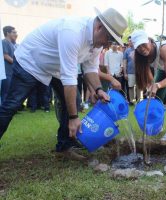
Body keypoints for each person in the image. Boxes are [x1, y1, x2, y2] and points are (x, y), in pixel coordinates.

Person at [0, 8, 128, 160]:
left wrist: (99, 89)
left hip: (56, 68)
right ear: (99, 27)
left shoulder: (98, 42)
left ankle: (64, 146)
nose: (107, 45)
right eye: (109, 39)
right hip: (31, 62)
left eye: (112, 41)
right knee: (11, 105)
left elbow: (90, 68)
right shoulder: (72, 31)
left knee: (73, 101)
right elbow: (69, 78)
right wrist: (74, 118)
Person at [131, 30, 166, 143]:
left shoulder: (164, 49)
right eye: (138, 46)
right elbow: (150, 80)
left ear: (149, 40)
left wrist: (157, 85)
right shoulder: (139, 56)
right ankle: (158, 125)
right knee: (156, 96)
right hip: (164, 67)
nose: (142, 48)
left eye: (143, 44)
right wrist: (152, 88)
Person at [123, 36, 140, 105]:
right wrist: (125, 73)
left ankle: (138, 101)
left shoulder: (138, 49)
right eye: (129, 41)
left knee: (139, 87)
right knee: (131, 86)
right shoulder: (127, 50)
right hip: (130, 72)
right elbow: (124, 62)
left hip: (139, 72)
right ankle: (131, 101)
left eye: (131, 41)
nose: (130, 42)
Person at [1, 26, 16, 104]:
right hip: (6, 72)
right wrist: (16, 63)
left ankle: (8, 109)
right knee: (5, 92)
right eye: (13, 32)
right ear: (7, 33)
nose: (15, 34)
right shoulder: (4, 42)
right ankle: (3, 110)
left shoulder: (12, 44)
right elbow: (5, 55)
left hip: (11, 72)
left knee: (10, 92)